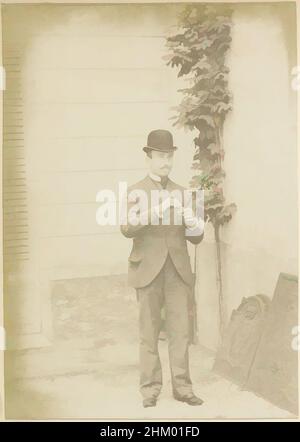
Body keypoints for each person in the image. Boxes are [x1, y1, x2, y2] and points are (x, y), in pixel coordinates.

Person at [120, 129, 205, 408]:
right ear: (149, 158)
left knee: (180, 332)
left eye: (168, 156)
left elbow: (196, 237)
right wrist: (153, 211)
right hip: (147, 270)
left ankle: (182, 387)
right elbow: (127, 228)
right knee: (149, 332)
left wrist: (192, 220)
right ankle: (150, 389)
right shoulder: (135, 191)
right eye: (159, 156)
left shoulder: (184, 193)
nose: (165, 161)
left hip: (177, 271)